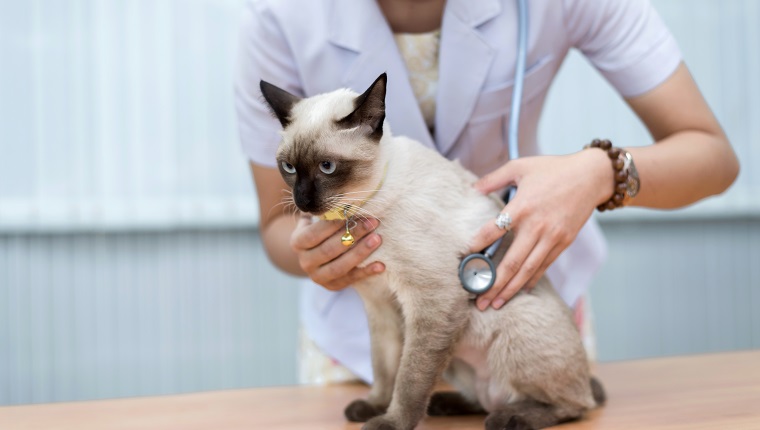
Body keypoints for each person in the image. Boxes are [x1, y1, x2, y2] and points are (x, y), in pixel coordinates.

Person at [234, 0, 739, 383]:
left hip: (519, 317)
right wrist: (317, 255)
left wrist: (597, 172)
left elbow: (713, 158)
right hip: (363, 347)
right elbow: (278, 226)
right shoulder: (278, 16)